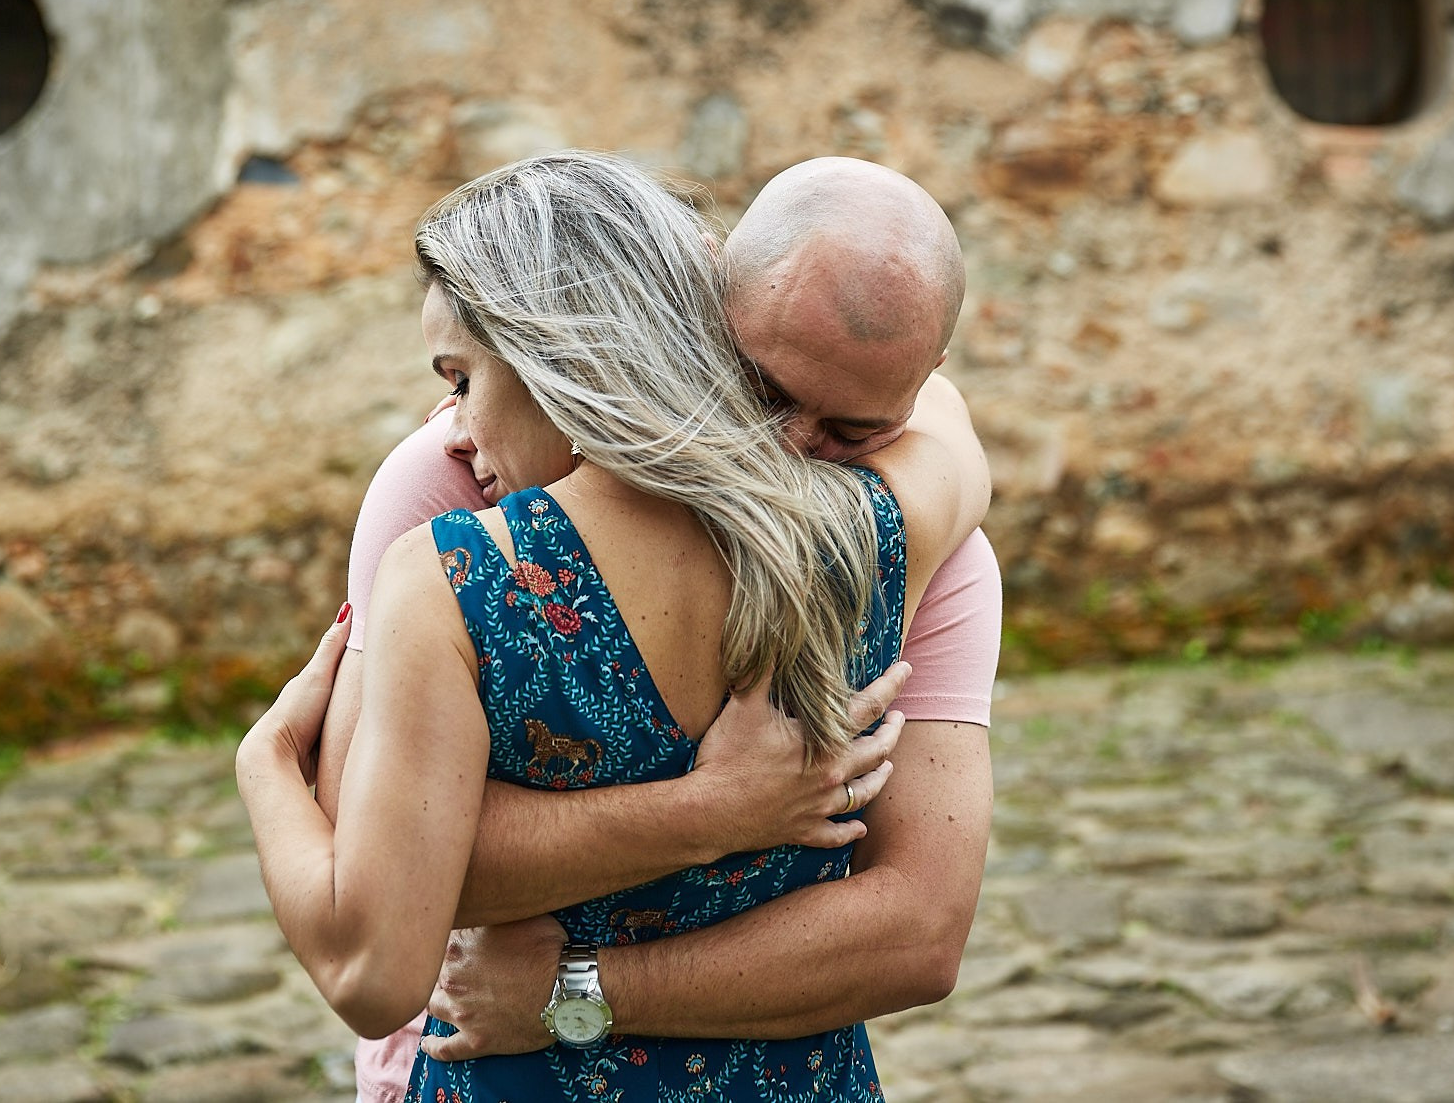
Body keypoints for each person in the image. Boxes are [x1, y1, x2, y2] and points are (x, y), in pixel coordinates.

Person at [238, 152, 992, 1100]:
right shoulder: (871, 532)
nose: (795, 449)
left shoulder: (453, 574)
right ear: (703, 310)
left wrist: (264, 762)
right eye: (767, 389)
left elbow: (373, 950)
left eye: (849, 427)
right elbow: (962, 458)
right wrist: (715, 810)